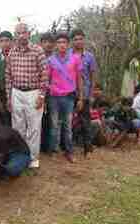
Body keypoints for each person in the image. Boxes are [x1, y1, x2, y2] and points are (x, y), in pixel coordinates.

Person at [5, 23, 48, 168]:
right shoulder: (12, 52)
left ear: (29, 34)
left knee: (34, 127)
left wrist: (41, 96)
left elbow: (44, 74)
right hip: (16, 93)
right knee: (18, 127)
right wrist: (8, 97)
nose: (21, 35)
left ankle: (33, 159)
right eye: (18, 33)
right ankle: (20, 156)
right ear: (15, 35)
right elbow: (8, 76)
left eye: (24, 32)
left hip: (33, 93)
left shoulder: (38, 51)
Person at [46, 32, 84, 163]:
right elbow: (47, 79)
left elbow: (79, 79)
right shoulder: (50, 60)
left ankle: (69, 151)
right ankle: (54, 151)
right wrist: (47, 94)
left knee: (68, 126)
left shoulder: (75, 58)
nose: (61, 45)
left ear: (68, 45)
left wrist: (80, 98)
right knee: (54, 125)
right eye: (59, 42)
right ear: (56, 45)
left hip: (69, 97)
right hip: (54, 97)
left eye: (64, 42)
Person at [70, 29, 98, 155]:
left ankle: (88, 146)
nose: (78, 41)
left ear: (84, 40)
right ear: (72, 41)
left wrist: (91, 94)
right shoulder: (67, 55)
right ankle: (68, 146)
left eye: (80, 39)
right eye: (75, 39)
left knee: (85, 120)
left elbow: (92, 77)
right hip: (69, 93)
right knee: (69, 120)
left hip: (85, 93)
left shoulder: (89, 57)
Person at [39, 32, 55, 153]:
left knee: (51, 119)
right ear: (41, 43)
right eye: (45, 42)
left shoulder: (56, 58)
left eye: (50, 42)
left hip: (53, 94)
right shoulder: (38, 57)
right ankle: (39, 145)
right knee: (39, 119)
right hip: (39, 92)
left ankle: (48, 146)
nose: (48, 44)